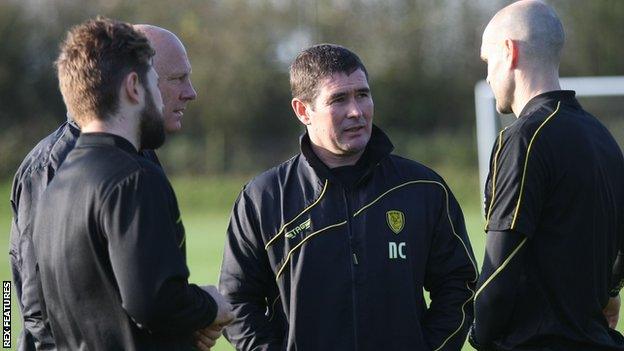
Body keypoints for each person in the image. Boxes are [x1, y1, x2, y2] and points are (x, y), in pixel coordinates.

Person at [219, 44, 478, 350]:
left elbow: (460, 287)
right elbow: (236, 302)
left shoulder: (423, 188)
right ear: (303, 111)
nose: (356, 111)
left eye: (363, 95)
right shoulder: (263, 198)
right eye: (338, 99)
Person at [29, 17, 232, 350]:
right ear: (134, 87)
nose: (165, 97)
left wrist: (188, 325)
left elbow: (105, 310)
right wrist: (211, 305)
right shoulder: (133, 178)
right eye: (156, 82)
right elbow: (153, 303)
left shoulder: (58, 183)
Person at [471, 1, 624, 350]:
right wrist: (609, 292)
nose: (489, 76)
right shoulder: (602, 136)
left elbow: (501, 263)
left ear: (509, 52)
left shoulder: (524, 137)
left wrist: (480, 332)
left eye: (487, 61)